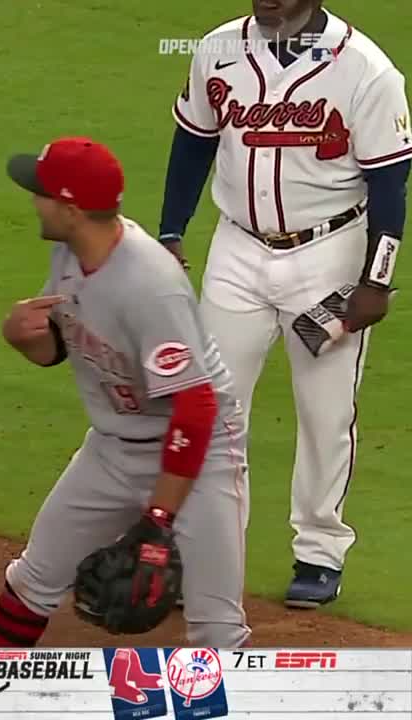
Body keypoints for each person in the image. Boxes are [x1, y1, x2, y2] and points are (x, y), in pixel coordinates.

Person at [159, 0, 410, 607]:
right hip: (236, 250)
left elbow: (389, 180)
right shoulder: (218, 49)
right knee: (213, 408)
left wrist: (377, 279)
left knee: (325, 415)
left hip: (328, 254)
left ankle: (319, 553)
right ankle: (209, 551)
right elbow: (193, 141)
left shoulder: (367, 71)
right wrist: (171, 231)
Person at [0, 137, 251, 649]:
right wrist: (21, 339)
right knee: (32, 581)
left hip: (198, 453)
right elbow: (64, 345)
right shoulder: (69, 252)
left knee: (217, 629)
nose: (33, 200)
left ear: (71, 209)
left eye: (41, 193)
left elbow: (196, 405)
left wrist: (159, 520)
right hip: (113, 447)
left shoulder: (151, 284)